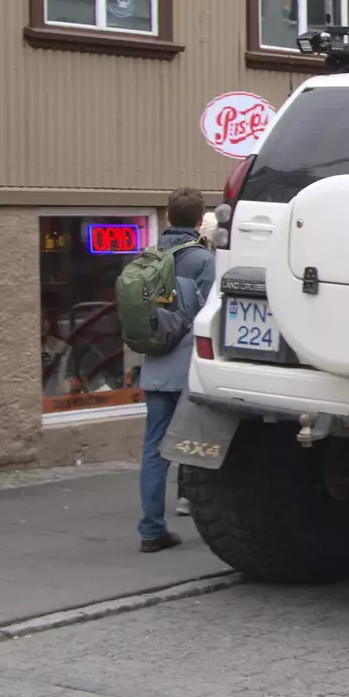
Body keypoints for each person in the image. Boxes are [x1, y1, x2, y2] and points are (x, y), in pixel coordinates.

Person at [136, 188, 215, 553]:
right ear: (200, 220)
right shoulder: (203, 259)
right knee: (195, 442)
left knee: (154, 449)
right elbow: (211, 314)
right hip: (191, 367)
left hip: (155, 363)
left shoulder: (148, 257)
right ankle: (190, 503)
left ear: (168, 217)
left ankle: (151, 529)